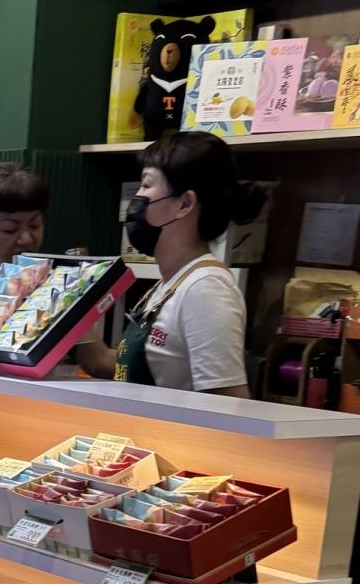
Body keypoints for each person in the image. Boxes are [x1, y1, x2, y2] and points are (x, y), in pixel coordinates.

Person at [76, 131, 261, 396]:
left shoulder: (206, 288)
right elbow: (114, 366)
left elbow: (229, 402)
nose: (137, 197)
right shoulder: (170, 283)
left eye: (146, 185)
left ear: (184, 204)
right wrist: (74, 309)